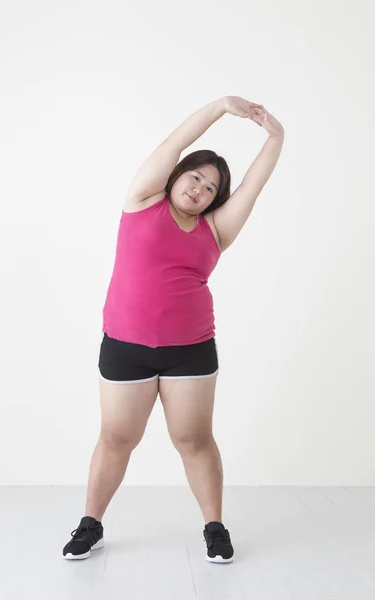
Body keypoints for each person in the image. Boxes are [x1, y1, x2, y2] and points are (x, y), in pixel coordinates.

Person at [62, 96, 284, 563]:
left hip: (192, 351)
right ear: (178, 174)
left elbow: (252, 187)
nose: (200, 189)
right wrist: (221, 107)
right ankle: (90, 523)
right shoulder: (143, 199)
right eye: (196, 176)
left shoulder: (216, 230)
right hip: (125, 345)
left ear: (214, 200)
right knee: (116, 439)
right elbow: (176, 140)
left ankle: (215, 527)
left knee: (194, 440)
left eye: (210, 188)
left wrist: (275, 137)